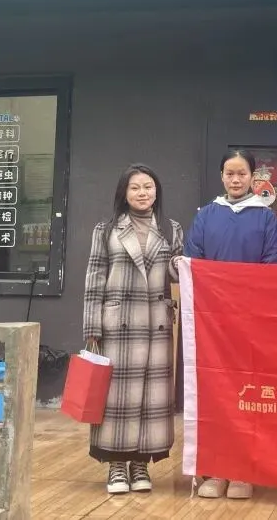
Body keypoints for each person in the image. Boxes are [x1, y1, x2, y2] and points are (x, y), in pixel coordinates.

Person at [175, 149, 277, 501]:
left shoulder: (266, 218)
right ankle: (215, 469)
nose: (236, 180)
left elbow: (272, 267)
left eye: (242, 173)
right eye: (229, 173)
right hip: (212, 324)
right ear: (221, 176)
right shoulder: (206, 216)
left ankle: (243, 472)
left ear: (253, 177)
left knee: (248, 395)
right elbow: (194, 263)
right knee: (215, 396)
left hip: (250, 323)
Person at [82, 163, 184, 495]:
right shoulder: (106, 229)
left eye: (148, 187)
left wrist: (181, 263)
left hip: (156, 325)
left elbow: (176, 274)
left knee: (151, 399)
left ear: (157, 191)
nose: (143, 193)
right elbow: (94, 279)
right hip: (118, 326)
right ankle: (116, 465)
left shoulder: (170, 228)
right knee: (117, 399)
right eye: (135, 187)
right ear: (124, 193)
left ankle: (141, 464)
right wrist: (92, 327)